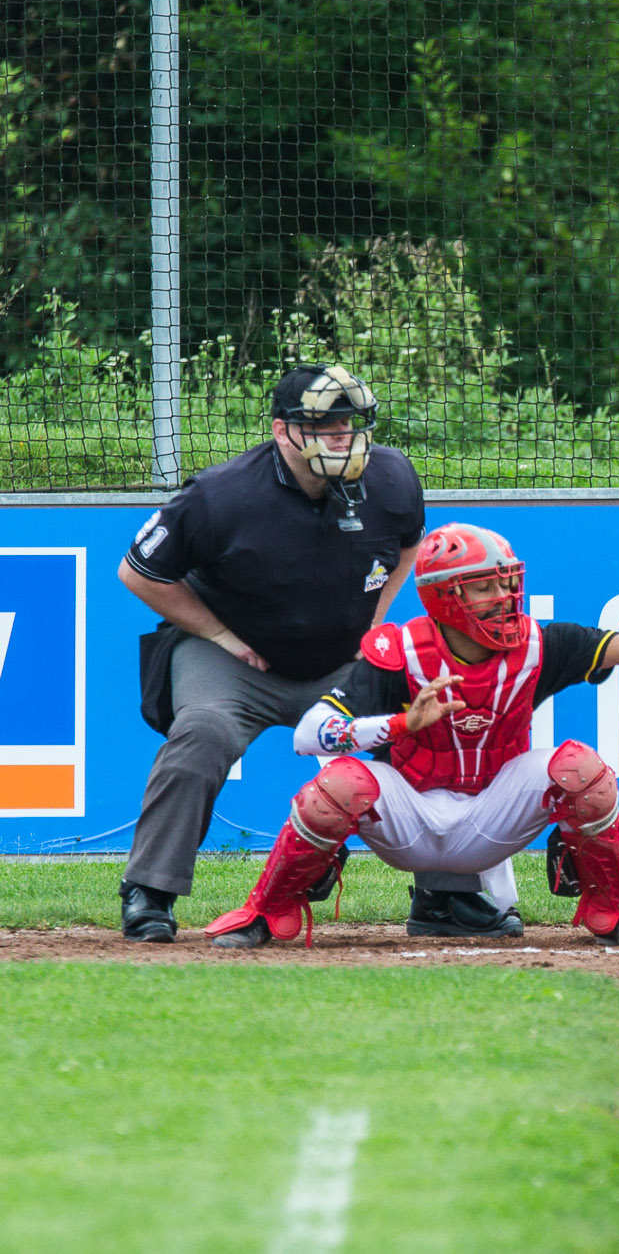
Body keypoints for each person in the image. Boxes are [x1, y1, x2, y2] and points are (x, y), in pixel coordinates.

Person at [202, 522, 619, 949]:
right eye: (485, 587)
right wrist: (403, 724)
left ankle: (612, 911)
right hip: (410, 819)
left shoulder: (542, 644)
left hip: (492, 822)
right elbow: (309, 736)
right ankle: (266, 912)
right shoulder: (397, 651)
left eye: (506, 582)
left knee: (582, 769)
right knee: (341, 783)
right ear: (446, 597)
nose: (504, 596)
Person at [116, 364, 499, 942]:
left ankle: (446, 895)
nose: (340, 434)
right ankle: (149, 892)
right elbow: (138, 571)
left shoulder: (391, 477)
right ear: (281, 431)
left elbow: (408, 544)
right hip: (234, 661)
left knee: (426, 724)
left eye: (349, 421)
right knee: (203, 733)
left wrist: (374, 620)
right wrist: (222, 637)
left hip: (342, 662)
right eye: (321, 423)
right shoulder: (221, 495)